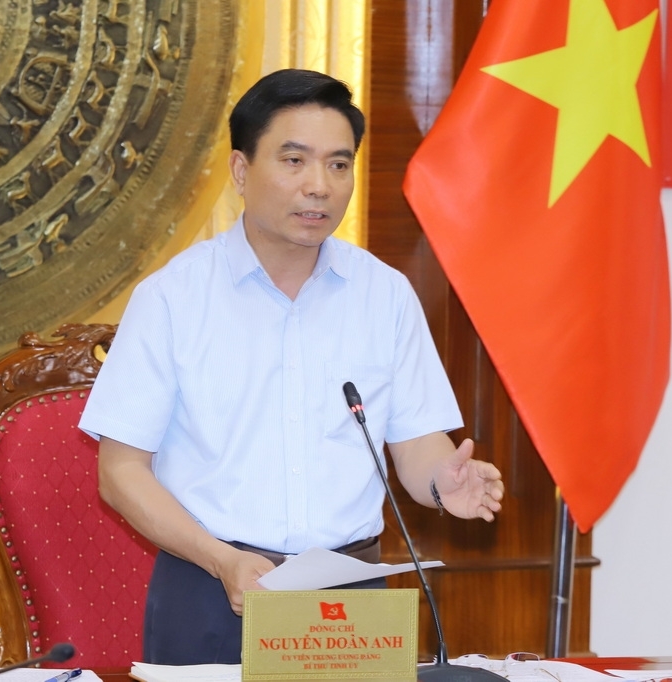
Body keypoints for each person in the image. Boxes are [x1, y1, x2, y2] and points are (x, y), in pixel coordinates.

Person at [79, 68, 504, 665]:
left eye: (338, 164)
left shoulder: (384, 294)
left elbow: (416, 447)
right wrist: (221, 559)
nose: (319, 186)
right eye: (294, 160)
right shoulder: (172, 298)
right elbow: (121, 471)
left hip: (351, 600)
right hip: (213, 589)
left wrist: (443, 481)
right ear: (240, 170)